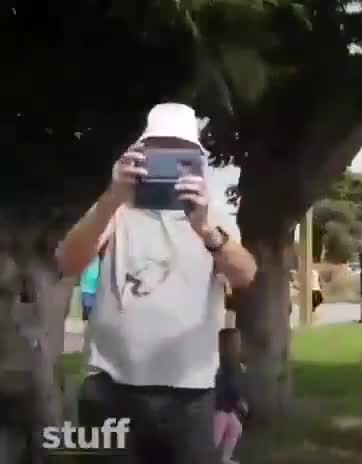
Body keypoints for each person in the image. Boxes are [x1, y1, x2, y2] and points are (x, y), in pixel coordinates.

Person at [57, 103, 258, 464]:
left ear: (197, 161)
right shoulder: (116, 209)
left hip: (190, 396)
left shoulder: (213, 218)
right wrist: (110, 197)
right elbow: (67, 262)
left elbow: (245, 275)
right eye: (157, 150)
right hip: (108, 389)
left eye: (179, 154)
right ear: (141, 154)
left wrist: (206, 231)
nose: (166, 163)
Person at [214, 329, 248, 464]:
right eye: (236, 341)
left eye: (239, 340)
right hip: (219, 408)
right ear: (226, 344)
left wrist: (241, 368)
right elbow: (228, 386)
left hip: (226, 407)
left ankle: (225, 459)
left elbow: (234, 381)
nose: (239, 344)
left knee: (235, 428)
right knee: (215, 439)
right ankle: (210, 459)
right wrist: (238, 401)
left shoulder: (232, 361)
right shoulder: (222, 363)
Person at [79, 255, 101, 322]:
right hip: (89, 285)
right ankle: (85, 315)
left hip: (90, 284)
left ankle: (86, 315)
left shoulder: (95, 257)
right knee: (87, 303)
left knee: (88, 303)